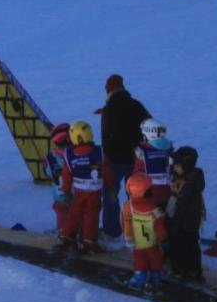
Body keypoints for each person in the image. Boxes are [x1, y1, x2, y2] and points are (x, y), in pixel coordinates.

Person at [100, 74, 151, 238]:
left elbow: (105, 135)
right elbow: (150, 125)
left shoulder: (108, 109)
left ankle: (112, 231)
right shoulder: (136, 105)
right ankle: (139, 230)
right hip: (135, 159)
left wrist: (106, 157)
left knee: (111, 196)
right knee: (137, 196)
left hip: (114, 160)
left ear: (109, 90)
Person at [59, 120, 103, 254]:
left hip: (78, 192)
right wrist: (111, 185)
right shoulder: (99, 152)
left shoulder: (69, 154)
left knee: (74, 213)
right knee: (91, 215)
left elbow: (66, 175)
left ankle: (67, 235)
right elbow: (106, 170)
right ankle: (89, 240)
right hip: (95, 192)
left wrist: (66, 191)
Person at [121, 173, 167, 290]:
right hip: (153, 244)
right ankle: (156, 279)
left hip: (137, 245)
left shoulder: (127, 207)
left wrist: (128, 239)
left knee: (140, 263)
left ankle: (139, 279)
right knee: (155, 261)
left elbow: (126, 225)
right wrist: (163, 238)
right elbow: (160, 227)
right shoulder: (155, 210)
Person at [166, 146, 205, 280]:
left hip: (184, 221)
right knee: (192, 245)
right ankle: (193, 270)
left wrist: (174, 223)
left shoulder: (188, 185)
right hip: (192, 222)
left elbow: (181, 206)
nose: (174, 169)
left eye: (177, 166)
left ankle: (181, 270)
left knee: (180, 245)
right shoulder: (192, 179)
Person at [134, 119, 173, 209]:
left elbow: (137, 175)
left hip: (149, 194)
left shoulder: (141, 152)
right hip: (169, 193)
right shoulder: (170, 149)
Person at [46, 122, 72, 234]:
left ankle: (62, 231)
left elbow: (47, 172)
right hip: (73, 194)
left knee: (62, 212)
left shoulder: (50, 158)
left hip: (60, 196)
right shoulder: (74, 156)